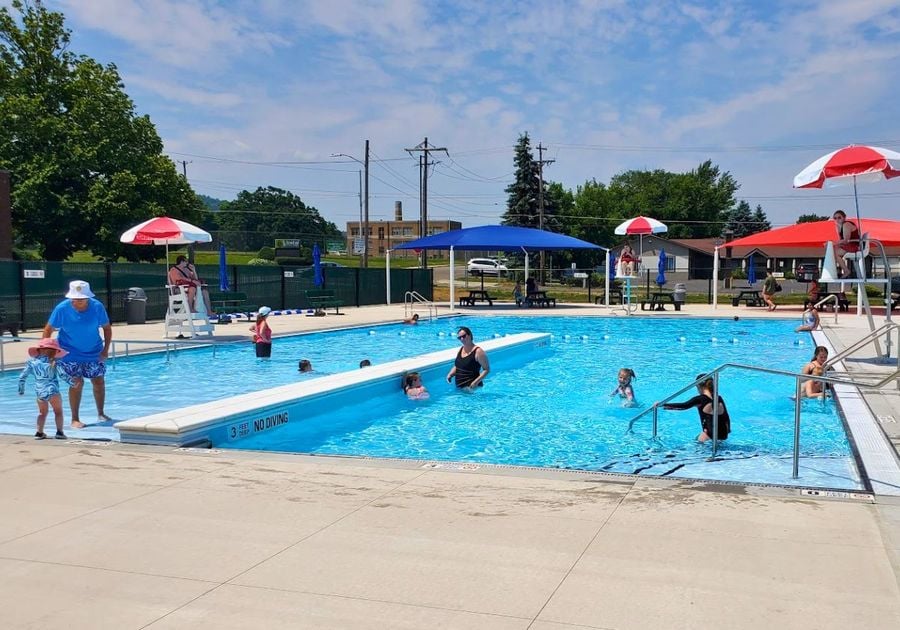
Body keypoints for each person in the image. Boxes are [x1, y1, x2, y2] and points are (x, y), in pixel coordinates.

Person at [42, 280, 113, 429]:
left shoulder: (97, 307)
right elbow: (48, 330)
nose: (79, 302)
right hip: (69, 352)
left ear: (88, 297)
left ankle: (101, 412)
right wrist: (49, 352)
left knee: (98, 381)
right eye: (76, 299)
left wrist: (105, 349)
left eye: (82, 299)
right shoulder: (62, 309)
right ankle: (75, 418)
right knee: (76, 383)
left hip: (94, 351)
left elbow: (107, 328)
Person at [18, 338, 71, 439]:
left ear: (38, 350)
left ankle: (39, 433)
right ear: (56, 351)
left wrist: (21, 390)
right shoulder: (56, 362)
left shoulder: (32, 363)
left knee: (42, 413)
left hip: (40, 392)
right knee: (58, 411)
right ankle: (59, 432)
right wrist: (73, 384)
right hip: (53, 391)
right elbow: (63, 376)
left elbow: (22, 377)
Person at [662, 374, 731, 442]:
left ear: (698, 386)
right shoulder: (718, 398)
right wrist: (728, 430)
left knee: (697, 440)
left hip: (709, 435)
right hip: (723, 436)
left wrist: (662, 405)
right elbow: (726, 417)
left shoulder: (700, 399)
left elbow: (683, 406)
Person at [832, 210, 860, 279]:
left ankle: (845, 270)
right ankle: (840, 269)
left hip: (854, 245)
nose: (837, 220)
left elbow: (845, 240)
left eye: (839, 217)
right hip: (849, 245)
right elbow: (841, 241)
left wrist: (833, 243)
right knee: (832, 250)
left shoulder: (846, 224)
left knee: (834, 253)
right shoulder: (839, 226)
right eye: (835, 218)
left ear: (844, 218)